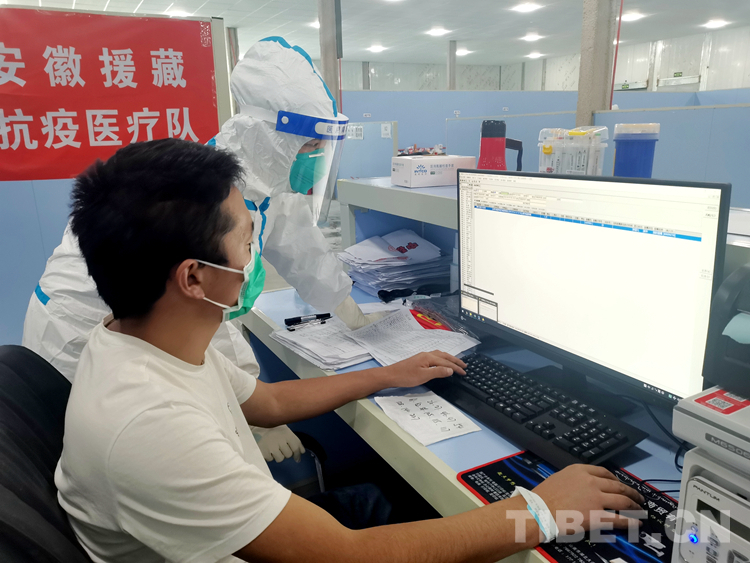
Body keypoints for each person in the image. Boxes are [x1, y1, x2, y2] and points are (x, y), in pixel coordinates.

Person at [56, 138, 644, 563]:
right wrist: (540, 511)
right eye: (246, 238)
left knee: (407, 502)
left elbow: (266, 403)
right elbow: (347, 555)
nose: (254, 253)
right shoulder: (149, 423)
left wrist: (385, 374)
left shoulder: (146, 339)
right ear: (194, 277)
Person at [22, 36, 382, 464]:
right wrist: (253, 419)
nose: (316, 158)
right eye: (309, 146)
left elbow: (305, 253)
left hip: (146, 335)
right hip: (77, 333)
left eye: (322, 148)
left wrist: (355, 317)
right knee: (101, 455)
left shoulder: (266, 181)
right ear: (269, 137)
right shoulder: (197, 199)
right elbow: (202, 312)